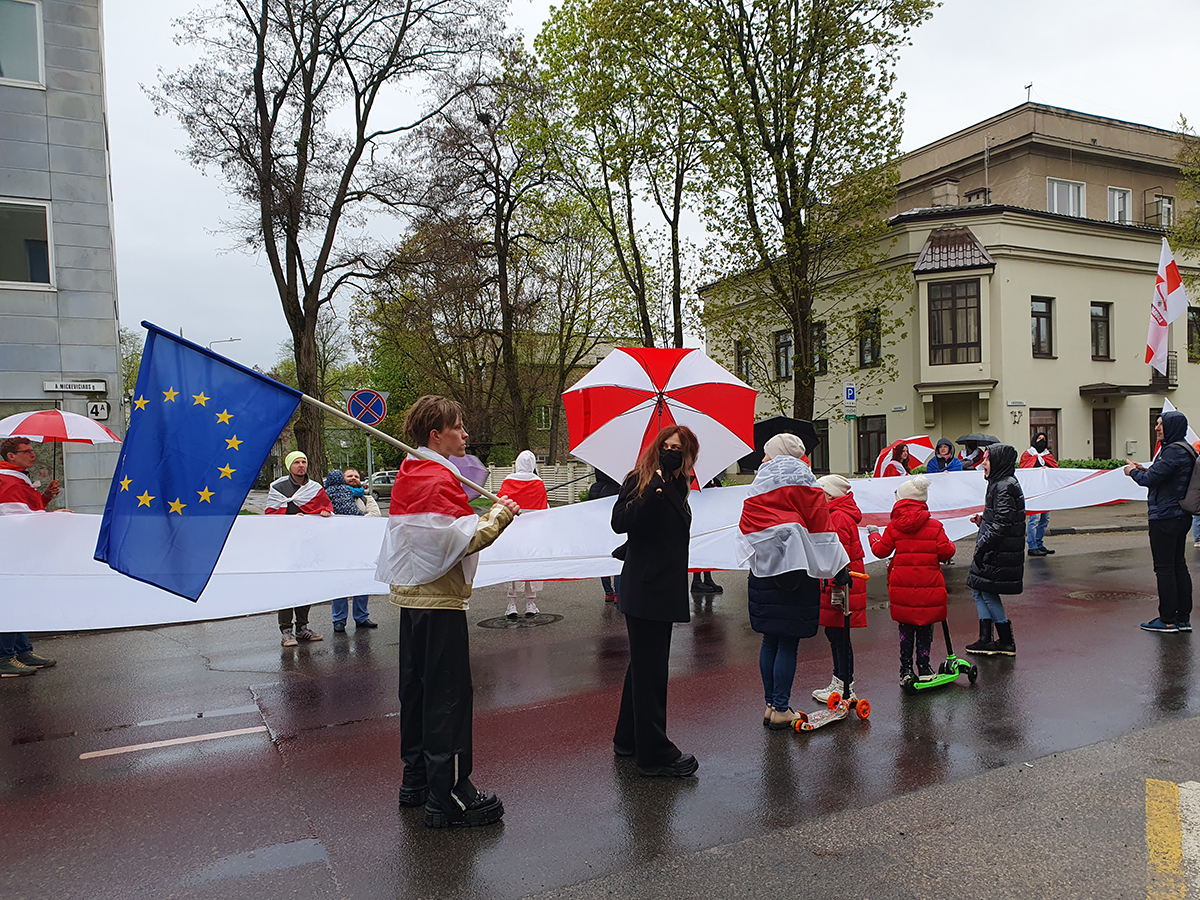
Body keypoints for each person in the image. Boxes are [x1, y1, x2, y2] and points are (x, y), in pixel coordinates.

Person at [378, 395, 520, 827]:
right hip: (438, 603)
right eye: (457, 427)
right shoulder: (435, 477)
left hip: (413, 601)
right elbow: (454, 540)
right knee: (447, 698)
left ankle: (417, 780)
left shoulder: (412, 472)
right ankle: (452, 795)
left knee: (418, 693)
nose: (465, 434)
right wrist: (499, 516)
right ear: (435, 435)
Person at [735, 434, 850, 730]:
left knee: (769, 639)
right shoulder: (808, 483)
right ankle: (782, 707)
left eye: (766, 453)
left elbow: (746, 525)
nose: (762, 460)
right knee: (787, 642)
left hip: (764, 570)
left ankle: (771, 706)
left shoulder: (760, 483)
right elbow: (822, 527)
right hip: (798, 573)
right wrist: (838, 568)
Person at [611, 425, 701, 776]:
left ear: (689, 453)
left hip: (662, 588)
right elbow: (621, 523)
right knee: (652, 673)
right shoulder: (641, 480)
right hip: (646, 589)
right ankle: (654, 754)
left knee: (643, 668)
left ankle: (627, 739)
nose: (670, 452)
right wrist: (655, 489)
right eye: (666, 446)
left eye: (677, 448)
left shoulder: (681, 486)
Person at [867, 475, 956, 685]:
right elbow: (946, 553)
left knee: (906, 628)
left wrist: (873, 535)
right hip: (929, 585)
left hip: (902, 587)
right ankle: (924, 666)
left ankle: (905, 669)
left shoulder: (894, 527)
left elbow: (880, 551)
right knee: (925, 627)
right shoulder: (934, 526)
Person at [1125, 411, 1194, 633]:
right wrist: (1145, 469)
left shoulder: (1172, 451)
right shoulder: (1184, 449)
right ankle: (1182, 618)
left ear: (1172, 427)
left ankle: (1167, 619)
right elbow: (1165, 476)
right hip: (1181, 515)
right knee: (1178, 566)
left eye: (1161, 424)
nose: (1156, 428)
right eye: (1156, 424)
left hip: (1165, 516)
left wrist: (1132, 472)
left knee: (1164, 569)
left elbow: (1151, 480)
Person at [0, 437, 60, 676]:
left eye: (32, 450)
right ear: (10, 456)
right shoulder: (8, 480)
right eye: (26, 451)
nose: (32, 454)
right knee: (11, 602)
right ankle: (5, 656)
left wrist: (44, 498)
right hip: (12, 551)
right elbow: (16, 520)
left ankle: (21, 649)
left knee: (20, 599)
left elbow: (26, 510)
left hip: (18, 550)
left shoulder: (16, 478)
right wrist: (54, 516)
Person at [266, 450, 332, 646]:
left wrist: (325, 512)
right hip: (286, 546)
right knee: (287, 588)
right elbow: (270, 514)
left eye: (304, 462)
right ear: (289, 466)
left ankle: (302, 628)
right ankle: (286, 631)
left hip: (308, 545)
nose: (301, 466)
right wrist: (289, 520)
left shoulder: (315, 488)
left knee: (306, 586)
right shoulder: (278, 487)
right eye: (297, 462)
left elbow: (325, 506)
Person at [965, 445, 1025, 656]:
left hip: (997, 550)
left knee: (988, 591)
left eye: (987, 459)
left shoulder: (1004, 486)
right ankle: (985, 639)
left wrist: (983, 545)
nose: (983, 463)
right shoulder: (998, 483)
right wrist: (983, 522)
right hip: (994, 547)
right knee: (978, 588)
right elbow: (1000, 519)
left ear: (998, 462)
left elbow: (1003, 524)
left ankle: (1005, 641)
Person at [813, 474, 866, 704]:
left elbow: (839, 558)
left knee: (839, 636)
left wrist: (835, 588)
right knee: (836, 634)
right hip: (839, 585)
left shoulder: (839, 518)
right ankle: (841, 680)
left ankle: (845, 684)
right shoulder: (837, 515)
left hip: (840, 587)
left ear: (830, 494)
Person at [324, 469, 377, 633]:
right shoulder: (329, 496)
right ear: (342, 479)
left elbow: (375, 515)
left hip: (361, 546)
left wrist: (354, 523)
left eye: (356, 477)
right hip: (338, 547)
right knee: (340, 582)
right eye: (349, 476)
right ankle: (339, 620)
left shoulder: (366, 498)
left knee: (362, 581)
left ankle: (361, 617)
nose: (353, 479)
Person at [499, 450, 549, 618]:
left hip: (512, 532)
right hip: (532, 533)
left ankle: (511, 604)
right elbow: (544, 510)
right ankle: (530, 603)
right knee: (531, 567)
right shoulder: (539, 482)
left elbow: (499, 505)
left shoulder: (508, 481)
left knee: (513, 565)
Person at [1020, 431, 1059, 557]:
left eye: (1044, 439)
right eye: (1039, 439)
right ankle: (1032, 546)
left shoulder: (1048, 455)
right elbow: (1024, 471)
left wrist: (1048, 470)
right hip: (1034, 492)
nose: (1041, 441)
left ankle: (1039, 543)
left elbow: (1055, 470)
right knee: (1034, 519)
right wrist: (1038, 471)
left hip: (1046, 491)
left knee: (1045, 519)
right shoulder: (1027, 454)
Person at [588, 468, 622, 603]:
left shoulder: (594, 488)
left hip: (599, 529)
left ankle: (608, 592)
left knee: (605, 559)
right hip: (615, 528)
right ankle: (619, 593)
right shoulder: (620, 488)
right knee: (618, 561)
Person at [691, 476, 724, 594]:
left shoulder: (712, 480)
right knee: (700, 547)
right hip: (699, 519)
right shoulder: (693, 479)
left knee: (708, 548)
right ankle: (696, 580)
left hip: (709, 518)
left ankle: (708, 578)